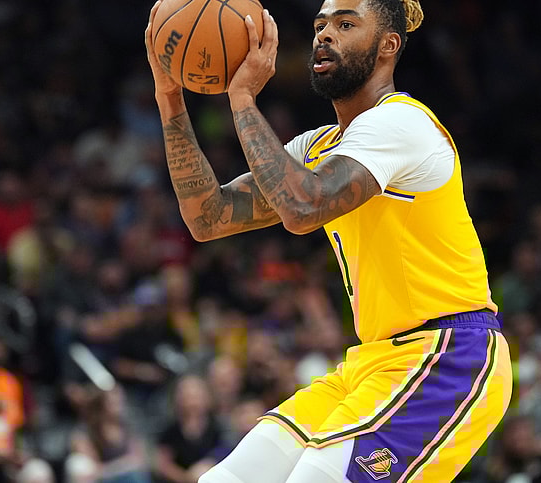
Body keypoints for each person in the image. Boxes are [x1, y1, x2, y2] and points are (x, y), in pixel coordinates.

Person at [144, 0, 513, 481]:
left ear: (388, 45)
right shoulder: (317, 147)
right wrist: (169, 94)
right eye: (320, 24)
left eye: (345, 24)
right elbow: (207, 217)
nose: (324, 34)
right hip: (372, 363)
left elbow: (302, 209)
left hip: (450, 355)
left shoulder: (402, 124)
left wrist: (242, 99)